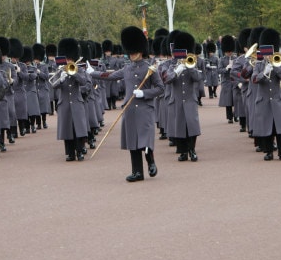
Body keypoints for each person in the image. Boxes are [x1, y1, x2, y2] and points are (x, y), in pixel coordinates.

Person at [88, 26, 164, 181]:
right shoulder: (127, 68)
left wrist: (145, 93)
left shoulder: (150, 68)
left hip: (145, 109)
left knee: (146, 139)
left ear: (140, 51)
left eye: (134, 52)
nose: (132, 55)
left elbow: (160, 88)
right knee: (133, 142)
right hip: (129, 110)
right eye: (130, 52)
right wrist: (91, 73)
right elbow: (110, 76)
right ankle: (137, 172)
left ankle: (150, 161)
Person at [163, 31, 203, 162]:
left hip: (190, 99)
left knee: (192, 126)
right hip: (177, 100)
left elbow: (198, 77)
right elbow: (167, 79)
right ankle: (183, 152)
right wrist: (177, 70)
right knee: (179, 126)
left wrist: (189, 67)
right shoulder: (171, 65)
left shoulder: (191, 62)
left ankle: (192, 150)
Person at [50, 38, 90, 162]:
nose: (68, 61)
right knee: (67, 129)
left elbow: (84, 81)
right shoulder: (60, 69)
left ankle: (79, 151)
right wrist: (61, 79)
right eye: (67, 59)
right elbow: (52, 84)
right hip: (64, 103)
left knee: (78, 128)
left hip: (76, 102)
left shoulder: (79, 68)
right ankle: (70, 153)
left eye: (70, 58)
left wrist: (73, 73)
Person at [251, 28, 281, 161]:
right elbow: (254, 79)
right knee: (267, 127)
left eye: (269, 53)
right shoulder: (259, 65)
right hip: (264, 100)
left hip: (277, 99)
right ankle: (269, 152)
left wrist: (276, 67)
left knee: (279, 126)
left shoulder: (279, 62)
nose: (268, 56)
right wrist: (265, 72)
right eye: (266, 53)